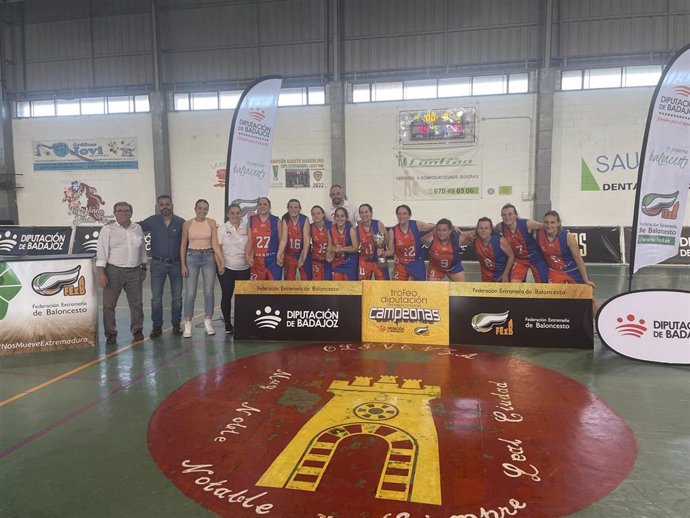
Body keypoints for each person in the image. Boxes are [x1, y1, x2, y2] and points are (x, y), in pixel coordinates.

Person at [96, 201, 147, 345]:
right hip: (113, 271)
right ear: (114, 213)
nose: (123, 213)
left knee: (136, 304)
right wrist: (101, 273)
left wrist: (144, 266)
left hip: (135, 271)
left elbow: (142, 249)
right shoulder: (107, 230)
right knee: (109, 305)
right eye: (119, 211)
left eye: (126, 211)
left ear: (131, 213)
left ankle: (137, 330)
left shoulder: (137, 228)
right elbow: (101, 253)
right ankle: (110, 334)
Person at [139, 195, 184, 338]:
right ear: (158, 206)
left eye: (167, 204)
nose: (165, 206)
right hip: (157, 265)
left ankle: (176, 325)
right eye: (162, 204)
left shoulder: (181, 222)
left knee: (177, 298)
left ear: (172, 205)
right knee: (156, 299)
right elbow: (134, 226)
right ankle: (157, 327)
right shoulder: (152, 221)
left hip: (176, 265)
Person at [180, 199, 224, 338]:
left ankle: (208, 321)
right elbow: (183, 244)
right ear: (195, 208)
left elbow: (215, 243)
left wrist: (221, 261)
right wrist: (183, 264)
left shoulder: (211, 223)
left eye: (205, 208)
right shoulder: (187, 224)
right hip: (192, 257)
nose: (202, 211)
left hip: (208, 257)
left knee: (209, 292)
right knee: (190, 293)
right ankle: (187, 324)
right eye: (200, 208)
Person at [537, 210, 596, 287]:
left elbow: (578, 259)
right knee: (552, 296)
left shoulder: (568, 237)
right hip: (555, 271)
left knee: (587, 296)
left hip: (572, 270)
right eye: (546, 222)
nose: (549, 225)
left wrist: (586, 280)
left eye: (552, 222)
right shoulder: (537, 235)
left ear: (558, 223)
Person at [217, 203, 251, 335]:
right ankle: (227, 324)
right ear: (227, 214)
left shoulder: (246, 228)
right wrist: (221, 264)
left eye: (237, 213)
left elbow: (250, 244)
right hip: (227, 269)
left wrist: (250, 257)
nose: (235, 215)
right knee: (227, 296)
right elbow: (218, 248)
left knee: (242, 298)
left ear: (241, 214)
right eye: (232, 213)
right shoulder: (223, 228)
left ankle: (241, 323)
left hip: (244, 268)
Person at [498, 203, 548, 283]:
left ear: (516, 215)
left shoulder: (527, 224)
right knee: (514, 284)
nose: (507, 217)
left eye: (510, 214)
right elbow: (489, 230)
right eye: (504, 215)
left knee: (543, 283)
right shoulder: (500, 227)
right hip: (520, 259)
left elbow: (546, 226)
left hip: (535, 257)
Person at [386, 204, 435, 281]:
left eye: (405, 213)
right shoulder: (393, 231)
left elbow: (436, 226)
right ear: (397, 215)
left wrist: (425, 238)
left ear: (409, 215)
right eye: (399, 214)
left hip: (416, 262)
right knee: (396, 288)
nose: (402, 216)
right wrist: (383, 253)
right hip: (401, 263)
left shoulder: (417, 225)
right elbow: (391, 251)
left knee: (419, 289)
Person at [245, 197, 283, 280]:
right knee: (257, 290)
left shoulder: (276, 221)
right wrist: (247, 256)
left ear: (269, 207)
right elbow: (250, 241)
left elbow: (281, 241)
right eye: (260, 204)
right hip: (257, 261)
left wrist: (280, 255)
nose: (262, 206)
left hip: (273, 260)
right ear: (257, 207)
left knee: (274, 290)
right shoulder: (251, 220)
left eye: (265, 204)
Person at [278, 199, 311, 280]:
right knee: (289, 280)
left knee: (306, 278)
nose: (293, 210)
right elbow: (284, 239)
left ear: (300, 209)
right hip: (289, 254)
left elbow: (307, 241)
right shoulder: (285, 218)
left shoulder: (305, 219)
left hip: (303, 251)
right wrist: (279, 254)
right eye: (291, 207)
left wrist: (303, 257)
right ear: (288, 209)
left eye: (296, 207)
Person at [473, 217, 514, 282]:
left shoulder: (500, 240)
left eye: (486, 228)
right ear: (477, 230)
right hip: (486, 275)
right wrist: (453, 227)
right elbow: (462, 236)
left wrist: (505, 274)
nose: (483, 230)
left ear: (491, 230)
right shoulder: (474, 240)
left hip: (502, 273)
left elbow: (511, 257)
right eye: (481, 228)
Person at [357, 203, 390, 280]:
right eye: (361, 212)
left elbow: (388, 242)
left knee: (383, 284)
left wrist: (391, 253)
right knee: (363, 285)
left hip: (380, 258)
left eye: (366, 212)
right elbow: (356, 247)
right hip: (364, 260)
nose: (364, 214)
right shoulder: (357, 229)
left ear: (371, 213)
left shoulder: (378, 224)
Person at [328, 207, 359, 280]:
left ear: (346, 217)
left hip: (350, 263)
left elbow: (355, 248)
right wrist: (329, 254)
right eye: (337, 216)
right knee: (337, 288)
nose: (340, 218)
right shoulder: (330, 229)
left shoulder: (351, 229)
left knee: (350, 288)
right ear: (334, 218)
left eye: (342, 216)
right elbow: (330, 246)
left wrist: (342, 249)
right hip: (337, 263)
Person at [309, 205, 332, 280]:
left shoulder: (330, 225)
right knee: (317, 284)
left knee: (329, 283)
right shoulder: (310, 227)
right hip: (316, 260)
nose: (316, 216)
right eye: (313, 214)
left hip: (329, 259)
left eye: (318, 213)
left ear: (323, 214)